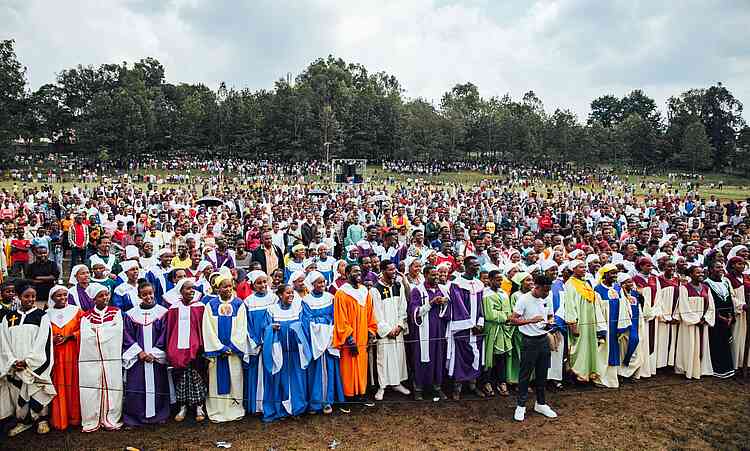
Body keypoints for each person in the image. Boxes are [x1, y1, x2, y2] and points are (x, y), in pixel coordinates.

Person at [0, 280, 56, 436]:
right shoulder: (8, 318)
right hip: (15, 364)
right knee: (18, 391)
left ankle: (41, 419)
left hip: (33, 366)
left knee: (36, 388)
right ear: (18, 297)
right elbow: (3, 342)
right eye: (26, 296)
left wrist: (28, 362)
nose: (31, 299)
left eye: (33, 296)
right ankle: (23, 421)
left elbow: (43, 341)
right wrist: (12, 361)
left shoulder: (41, 316)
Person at [121, 279, 170, 427]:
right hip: (138, 359)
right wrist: (139, 352)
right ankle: (135, 417)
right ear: (139, 295)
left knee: (158, 386)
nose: (148, 297)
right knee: (136, 387)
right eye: (144, 294)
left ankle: (159, 414)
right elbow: (127, 335)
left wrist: (154, 353)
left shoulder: (162, 312)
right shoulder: (131, 314)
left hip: (155, 358)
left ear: (154, 293)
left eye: (150, 293)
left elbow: (165, 335)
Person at [510, 274, 557, 422]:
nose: (547, 293)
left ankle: (541, 403)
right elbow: (512, 320)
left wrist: (550, 322)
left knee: (542, 373)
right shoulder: (523, 299)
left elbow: (550, 315)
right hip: (529, 341)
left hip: (543, 339)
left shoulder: (547, 298)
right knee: (525, 375)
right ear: (536, 287)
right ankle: (521, 405)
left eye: (548, 290)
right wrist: (531, 320)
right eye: (544, 290)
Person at [261, 284, 311, 422]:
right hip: (280, 354)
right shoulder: (271, 310)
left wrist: (299, 329)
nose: (291, 295)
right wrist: (272, 328)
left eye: (292, 293)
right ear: (280, 295)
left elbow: (304, 327)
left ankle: (297, 408)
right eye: (287, 293)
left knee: (297, 382)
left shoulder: (298, 308)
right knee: (280, 382)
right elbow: (264, 328)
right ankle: (280, 410)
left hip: (295, 353)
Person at [202, 275, 248, 423]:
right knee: (216, 381)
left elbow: (242, 327)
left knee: (234, 379)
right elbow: (207, 329)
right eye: (224, 286)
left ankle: (234, 408)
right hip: (218, 353)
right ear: (217, 288)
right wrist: (220, 347)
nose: (228, 289)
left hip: (233, 353)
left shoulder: (239, 304)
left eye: (230, 286)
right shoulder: (211, 305)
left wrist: (233, 346)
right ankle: (218, 409)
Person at [79, 283, 124, 432]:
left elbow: (116, 332)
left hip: (111, 356)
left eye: (106, 294)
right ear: (93, 299)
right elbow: (86, 337)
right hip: (93, 358)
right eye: (101, 296)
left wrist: (97, 331)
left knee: (113, 385)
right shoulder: (86, 316)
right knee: (92, 386)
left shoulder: (115, 312)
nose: (105, 298)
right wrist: (103, 330)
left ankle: (111, 417)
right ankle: (93, 417)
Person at [333, 264, 377, 404]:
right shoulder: (341, 293)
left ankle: (360, 393)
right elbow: (340, 318)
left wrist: (371, 332)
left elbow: (370, 314)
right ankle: (349, 395)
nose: (358, 273)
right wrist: (348, 337)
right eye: (354, 271)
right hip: (349, 338)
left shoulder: (365, 291)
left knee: (362, 364)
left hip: (363, 335)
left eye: (359, 271)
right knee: (349, 365)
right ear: (347, 273)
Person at [301, 271, 344, 414]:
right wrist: (324, 322)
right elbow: (307, 320)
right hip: (316, 341)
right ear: (312, 284)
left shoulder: (330, 297)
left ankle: (328, 401)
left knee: (330, 370)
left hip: (329, 338)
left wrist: (323, 323)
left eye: (323, 282)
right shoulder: (306, 300)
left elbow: (335, 316)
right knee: (316, 373)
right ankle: (315, 402)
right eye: (318, 283)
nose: (321, 285)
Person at [165, 278, 207, 422]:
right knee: (181, 379)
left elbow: (203, 328)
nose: (191, 291)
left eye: (193, 288)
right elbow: (170, 330)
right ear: (181, 291)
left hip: (196, 349)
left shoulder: (200, 306)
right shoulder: (173, 308)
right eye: (188, 288)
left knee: (197, 378)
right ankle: (182, 406)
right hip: (178, 350)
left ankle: (199, 406)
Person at [408, 265, 449, 401]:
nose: (436, 277)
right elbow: (414, 312)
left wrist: (444, 302)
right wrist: (431, 303)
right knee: (422, 359)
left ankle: (437, 387)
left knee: (438, 358)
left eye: (437, 275)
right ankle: (419, 388)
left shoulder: (443, 289)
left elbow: (449, 307)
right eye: (433, 275)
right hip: (424, 331)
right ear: (425, 275)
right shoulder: (417, 290)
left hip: (439, 330)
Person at [371, 260, 410, 400]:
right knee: (384, 358)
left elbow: (403, 307)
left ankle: (397, 383)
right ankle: (382, 387)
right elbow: (376, 313)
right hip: (385, 331)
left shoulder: (398, 286)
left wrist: (399, 325)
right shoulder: (375, 290)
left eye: (394, 269)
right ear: (382, 271)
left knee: (398, 356)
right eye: (390, 270)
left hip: (397, 329)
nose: (394, 272)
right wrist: (388, 331)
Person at [47, 285, 83, 431]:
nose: (62, 298)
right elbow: (42, 333)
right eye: (58, 295)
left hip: (73, 353)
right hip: (56, 354)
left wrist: (71, 336)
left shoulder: (76, 311)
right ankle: (60, 418)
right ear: (52, 298)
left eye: (64, 295)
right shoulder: (47, 314)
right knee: (58, 384)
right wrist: (51, 338)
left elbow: (85, 329)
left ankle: (75, 417)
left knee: (74, 383)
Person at [243, 270, 277, 415]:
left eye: (264, 282)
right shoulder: (248, 302)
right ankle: (257, 406)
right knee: (256, 374)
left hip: (271, 342)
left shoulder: (274, 298)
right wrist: (257, 341)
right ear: (253, 285)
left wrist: (269, 339)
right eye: (259, 283)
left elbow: (277, 318)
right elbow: (247, 325)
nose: (263, 285)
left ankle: (272, 404)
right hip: (256, 345)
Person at [565, 259, 603, 383]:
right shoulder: (570, 284)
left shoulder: (586, 283)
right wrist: (573, 324)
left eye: (584, 267)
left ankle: (589, 372)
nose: (584, 269)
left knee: (589, 346)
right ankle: (578, 374)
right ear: (573, 269)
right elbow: (570, 305)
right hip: (580, 321)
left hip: (590, 321)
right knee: (579, 348)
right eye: (581, 267)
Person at [675, 265, 714, 379]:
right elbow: (683, 306)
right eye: (697, 273)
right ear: (691, 274)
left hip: (703, 322)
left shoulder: (706, 288)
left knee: (701, 345)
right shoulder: (684, 288)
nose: (701, 275)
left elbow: (711, 306)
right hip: (691, 324)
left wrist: (706, 318)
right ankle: (688, 368)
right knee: (690, 344)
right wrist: (695, 320)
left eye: (702, 273)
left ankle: (701, 369)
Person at [482, 270, 513, 396]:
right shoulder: (485, 294)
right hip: (491, 329)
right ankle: (486, 382)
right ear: (489, 280)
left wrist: (503, 315)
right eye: (497, 280)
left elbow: (508, 311)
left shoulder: (504, 294)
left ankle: (502, 382)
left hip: (503, 330)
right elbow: (490, 315)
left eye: (501, 280)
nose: (500, 282)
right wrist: (504, 316)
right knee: (488, 356)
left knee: (501, 357)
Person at [704, 261, 735, 378]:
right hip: (716, 318)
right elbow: (710, 304)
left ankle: (728, 368)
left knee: (725, 343)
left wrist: (731, 316)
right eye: (717, 267)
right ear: (711, 269)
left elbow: (730, 300)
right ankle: (718, 369)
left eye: (721, 267)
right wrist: (719, 317)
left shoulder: (726, 282)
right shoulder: (707, 283)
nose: (720, 269)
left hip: (727, 317)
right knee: (716, 343)